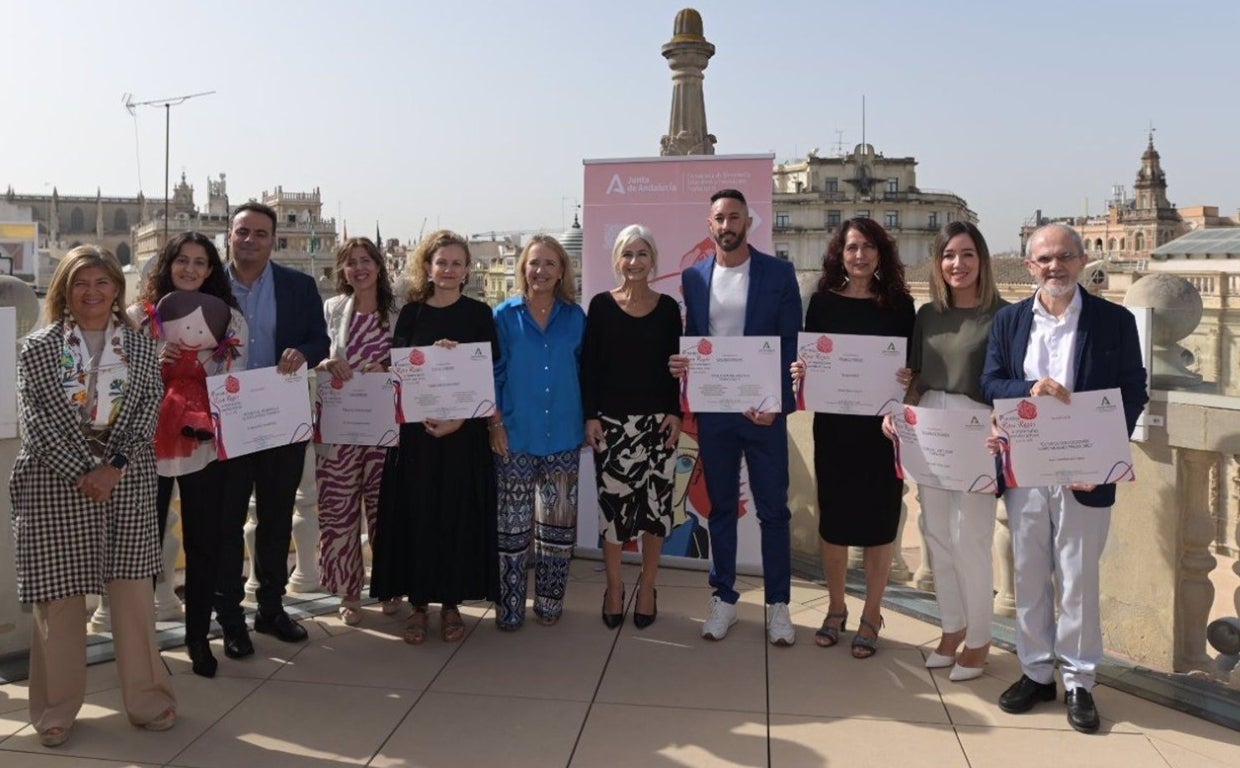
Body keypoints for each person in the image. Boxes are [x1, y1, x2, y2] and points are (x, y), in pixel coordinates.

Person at [981, 223, 1147, 733]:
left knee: (1078, 579)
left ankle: (1079, 681)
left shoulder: (1113, 320)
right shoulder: (1008, 321)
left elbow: (1132, 391)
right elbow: (989, 382)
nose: (1055, 267)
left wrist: (1100, 460)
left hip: (1084, 473)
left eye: (1064, 258)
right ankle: (1035, 673)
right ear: (1029, 266)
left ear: (1081, 261)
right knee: (1029, 574)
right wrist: (1029, 387)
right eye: (1044, 260)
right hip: (1026, 469)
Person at [11, 246, 177, 747]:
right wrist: (86, 471)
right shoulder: (36, 347)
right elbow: (35, 423)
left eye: (102, 283)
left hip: (124, 480)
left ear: (116, 290)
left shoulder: (143, 347)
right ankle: (55, 709)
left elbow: (148, 409)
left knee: (131, 596)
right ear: (64, 288)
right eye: (81, 282)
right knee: (58, 601)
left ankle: (148, 699)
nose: (92, 292)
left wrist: (112, 469)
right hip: (54, 480)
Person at [668, 189, 802, 646]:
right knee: (720, 507)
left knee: (773, 512)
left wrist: (778, 402)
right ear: (710, 225)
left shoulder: (779, 274)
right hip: (716, 412)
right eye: (719, 219)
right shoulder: (694, 277)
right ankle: (724, 597)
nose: (727, 225)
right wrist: (683, 367)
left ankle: (779, 605)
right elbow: (695, 340)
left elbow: (791, 345)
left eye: (735, 217)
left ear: (749, 221)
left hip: (763, 414)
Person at [880, 222, 1006, 679]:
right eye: (949, 255)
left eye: (967, 254)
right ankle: (951, 628)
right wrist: (899, 411)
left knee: (971, 537)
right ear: (938, 263)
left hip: (977, 426)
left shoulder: (1004, 316)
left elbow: (1009, 383)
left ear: (982, 259)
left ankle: (980, 638)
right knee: (935, 532)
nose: (958, 264)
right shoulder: (927, 315)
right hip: (930, 424)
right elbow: (915, 376)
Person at [792, 217, 914, 658]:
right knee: (835, 522)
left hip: (882, 432)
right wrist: (803, 374)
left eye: (867, 247)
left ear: (881, 253)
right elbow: (810, 361)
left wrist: (907, 376)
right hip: (836, 428)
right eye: (851, 248)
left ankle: (872, 614)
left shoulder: (900, 305)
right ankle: (837, 607)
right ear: (839, 255)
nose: (859, 255)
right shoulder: (822, 303)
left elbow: (911, 369)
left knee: (880, 525)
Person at [369, 230, 499, 643]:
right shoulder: (412, 315)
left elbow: (486, 375)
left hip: (463, 434)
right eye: (441, 262)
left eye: (457, 263)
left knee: (456, 517)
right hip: (417, 435)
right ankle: (419, 605)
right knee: (418, 515)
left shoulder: (480, 313)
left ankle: (451, 604)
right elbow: (402, 370)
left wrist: (461, 416)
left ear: (467, 270)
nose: (448, 270)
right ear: (427, 266)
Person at [130, 232, 248, 678]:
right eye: (183, 260)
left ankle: (198, 638)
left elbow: (236, 376)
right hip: (146, 448)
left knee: (205, 544)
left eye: (201, 262)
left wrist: (208, 365)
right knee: (143, 547)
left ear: (212, 270)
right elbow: (122, 380)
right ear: (168, 264)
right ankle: (140, 644)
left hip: (204, 447)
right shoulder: (140, 320)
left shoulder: (232, 320)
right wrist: (156, 361)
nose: (191, 269)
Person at [216, 202, 330, 658]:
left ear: (273, 239)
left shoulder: (299, 286)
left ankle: (270, 607)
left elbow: (320, 341)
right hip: (227, 420)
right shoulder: (208, 286)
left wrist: (301, 352)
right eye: (242, 232)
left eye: (260, 233)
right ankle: (230, 618)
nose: (250, 240)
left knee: (277, 517)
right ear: (229, 235)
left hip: (280, 419)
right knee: (226, 523)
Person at [581, 224, 682, 630]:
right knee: (614, 516)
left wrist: (676, 412)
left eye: (642, 254)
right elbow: (589, 366)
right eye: (627, 254)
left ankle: (647, 588)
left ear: (653, 260)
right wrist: (591, 416)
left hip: (660, 425)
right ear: (616, 260)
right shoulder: (601, 306)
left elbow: (679, 367)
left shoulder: (670, 307)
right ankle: (615, 588)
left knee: (655, 515)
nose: (635, 262)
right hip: (612, 426)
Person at [491, 235, 586, 630]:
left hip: (563, 434)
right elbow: (492, 374)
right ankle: (510, 607)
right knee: (511, 530)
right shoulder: (503, 316)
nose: (541, 271)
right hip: (515, 435)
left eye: (550, 263)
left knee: (557, 529)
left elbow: (587, 371)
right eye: (534, 263)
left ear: (561, 270)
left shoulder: (576, 317)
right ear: (522, 268)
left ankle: (549, 602)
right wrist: (494, 423)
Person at [314, 237, 399, 626]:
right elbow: (317, 355)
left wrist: (389, 371)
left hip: (384, 431)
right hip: (340, 431)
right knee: (340, 513)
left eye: (366, 260)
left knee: (387, 511)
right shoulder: (332, 309)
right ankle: (350, 591)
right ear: (342, 271)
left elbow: (412, 363)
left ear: (379, 266)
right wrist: (327, 361)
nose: (359, 268)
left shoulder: (397, 312)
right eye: (351, 263)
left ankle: (389, 585)